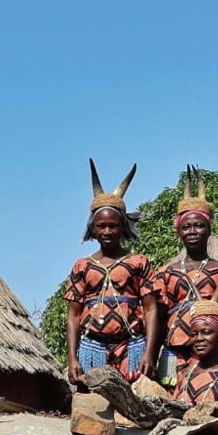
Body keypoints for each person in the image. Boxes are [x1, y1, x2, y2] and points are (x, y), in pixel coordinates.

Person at [66, 160, 155, 381]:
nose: (107, 231)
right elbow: (73, 315)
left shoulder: (138, 262)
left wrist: (149, 353)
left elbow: (151, 310)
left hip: (132, 346)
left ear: (123, 226)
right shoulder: (82, 265)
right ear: (92, 229)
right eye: (101, 226)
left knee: (133, 408)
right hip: (92, 347)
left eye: (113, 225)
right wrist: (72, 358)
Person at [147, 170, 218, 384]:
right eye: (186, 227)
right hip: (174, 348)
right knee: (171, 394)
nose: (193, 231)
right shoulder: (166, 272)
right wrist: (151, 354)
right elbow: (159, 317)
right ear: (179, 231)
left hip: (211, 350)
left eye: (199, 225)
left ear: (209, 229)